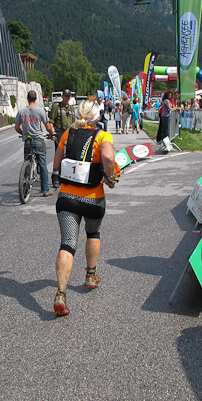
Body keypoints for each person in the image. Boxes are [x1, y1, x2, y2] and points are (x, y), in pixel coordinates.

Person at [50, 99, 120, 316]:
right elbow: (108, 156)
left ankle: (61, 294)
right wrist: (111, 177)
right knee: (93, 233)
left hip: (67, 197)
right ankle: (91, 275)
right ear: (97, 117)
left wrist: (56, 178)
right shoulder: (102, 136)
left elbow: (56, 161)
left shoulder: (67, 134)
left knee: (68, 243)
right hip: (93, 198)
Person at [15, 90, 54, 197]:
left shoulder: (21, 111)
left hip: (28, 141)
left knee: (27, 162)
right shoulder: (40, 111)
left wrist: (23, 133)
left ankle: (25, 188)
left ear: (27, 98)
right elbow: (48, 127)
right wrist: (51, 133)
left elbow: (16, 127)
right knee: (43, 164)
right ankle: (45, 189)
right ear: (36, 99)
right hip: (38, 140)